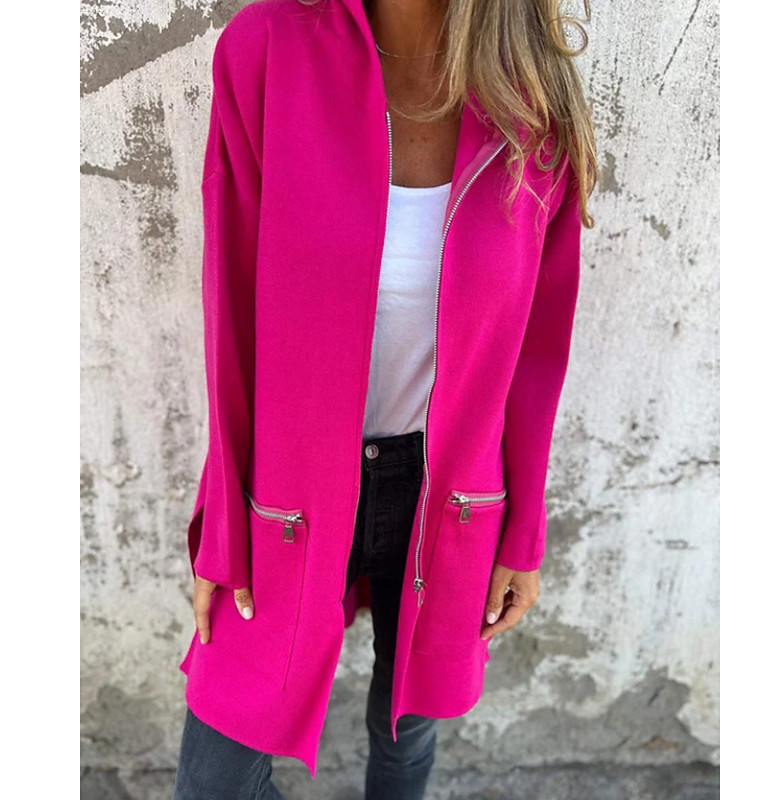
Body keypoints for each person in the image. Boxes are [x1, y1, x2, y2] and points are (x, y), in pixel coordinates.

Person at [173, 0, 596, 797]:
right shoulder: (266, 51)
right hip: (289, 493)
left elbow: (537, 353)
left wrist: (523, 535)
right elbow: (231, 314)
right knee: (216, 778)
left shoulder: (533, 93)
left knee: (405, 732)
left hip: (450, 495)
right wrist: (221, 525)